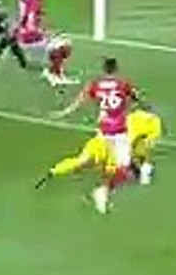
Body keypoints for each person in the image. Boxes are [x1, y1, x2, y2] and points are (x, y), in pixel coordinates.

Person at [54, 57, 140, 214]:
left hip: (103, 128)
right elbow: (135, 98)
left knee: (101, 158)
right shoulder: (123, 84)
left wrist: (66, 111)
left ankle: (83, 172)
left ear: (104, 69)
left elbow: (81, 99)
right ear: (116, 69)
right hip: (119, 130)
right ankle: (103, 191)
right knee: (122, 166)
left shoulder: (95, 85)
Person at [35, 105, 163, 189]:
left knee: (83, 161)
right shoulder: (151, 123)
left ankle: (53, 171)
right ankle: (139, 171)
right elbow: (143, 144)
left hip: (102, 143)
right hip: (110, 145)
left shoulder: (129, 119)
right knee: (110, 167)